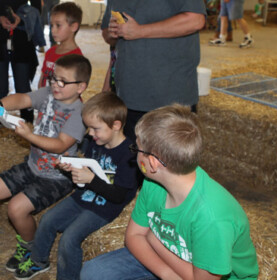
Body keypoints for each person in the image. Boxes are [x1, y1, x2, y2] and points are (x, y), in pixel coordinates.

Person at [80, 105, 259, 280]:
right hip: (168, 258)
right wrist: (166, 274)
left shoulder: (211, 217)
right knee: (93, 272)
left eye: (136, 149)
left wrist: (154, 240)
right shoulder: (152, 182)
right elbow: (133, 236)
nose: (134, 155)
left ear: (152, 163)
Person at [0, 54, 92, 270]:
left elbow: (59, 145)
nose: (55, 84)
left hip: (57, 177)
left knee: (16, 209)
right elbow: (22, 99)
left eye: (63, 81)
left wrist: (28, 136)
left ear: (81, 87)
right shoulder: (48, 94)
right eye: (53, 78)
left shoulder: (79, 114)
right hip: (32, 165)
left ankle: (30, 246)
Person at [14, 92, 141, 279]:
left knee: (70, 238)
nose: (89, 134)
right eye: (88, 128)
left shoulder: (129, 154)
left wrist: (90, 180)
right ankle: (38, 260)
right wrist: (69, 168)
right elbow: (86, 172)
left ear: (116, 125)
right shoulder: (96, 142)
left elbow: (119, 196)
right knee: (48, 219)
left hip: (106, 206)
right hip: (84, 195)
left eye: (95, 128)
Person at [101, 0, 205, 142]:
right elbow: (107, 36)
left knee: (168, 167)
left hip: (169, 99)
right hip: (128, 97)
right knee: (135, 166)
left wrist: (139, 31)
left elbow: (195, 20)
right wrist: (113, 32)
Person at [38, 2, 84, 87]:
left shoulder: (76, 58)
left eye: (58, 25)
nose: (53, 30)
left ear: (73, 27)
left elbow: (73, 90)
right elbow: (42, 81)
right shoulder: (50, 52)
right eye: (51, 25)